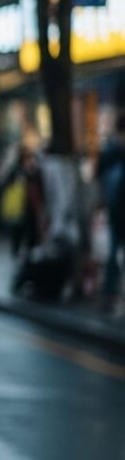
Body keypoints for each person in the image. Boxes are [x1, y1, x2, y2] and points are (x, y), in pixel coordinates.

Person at [96, 115, 125, 316]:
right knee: (113, 253)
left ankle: (111, 293)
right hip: (116, 211)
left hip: (115, 210)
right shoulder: (112, 152)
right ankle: (110, 293)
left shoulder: (109, 152)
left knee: (114, 253)